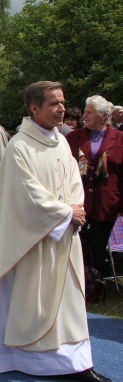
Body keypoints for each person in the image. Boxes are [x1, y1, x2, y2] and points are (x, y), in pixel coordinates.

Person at [0, 81, 111, 382]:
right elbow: (26, 195)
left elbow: (74, 179)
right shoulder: (19, 146)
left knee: (68, 300)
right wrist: (65, 213)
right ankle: (37, 359)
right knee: (34, 300)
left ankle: (74, 360)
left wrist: (76, 207)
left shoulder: (61, 141)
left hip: (62, 235)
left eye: (62, 102)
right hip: (31, 243)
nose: (62, 108)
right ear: (35, 109)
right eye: (54, 103)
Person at [66, 95, 123, 278]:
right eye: (85, 112)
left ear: (104, 115)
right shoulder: (73, 137)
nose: (84, 115)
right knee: (78, 245)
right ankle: (78, 283)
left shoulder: (119, 138)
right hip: (78, 201)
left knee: (98, 246)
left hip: (106, 203)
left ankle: (96, 285)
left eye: (89, 112)